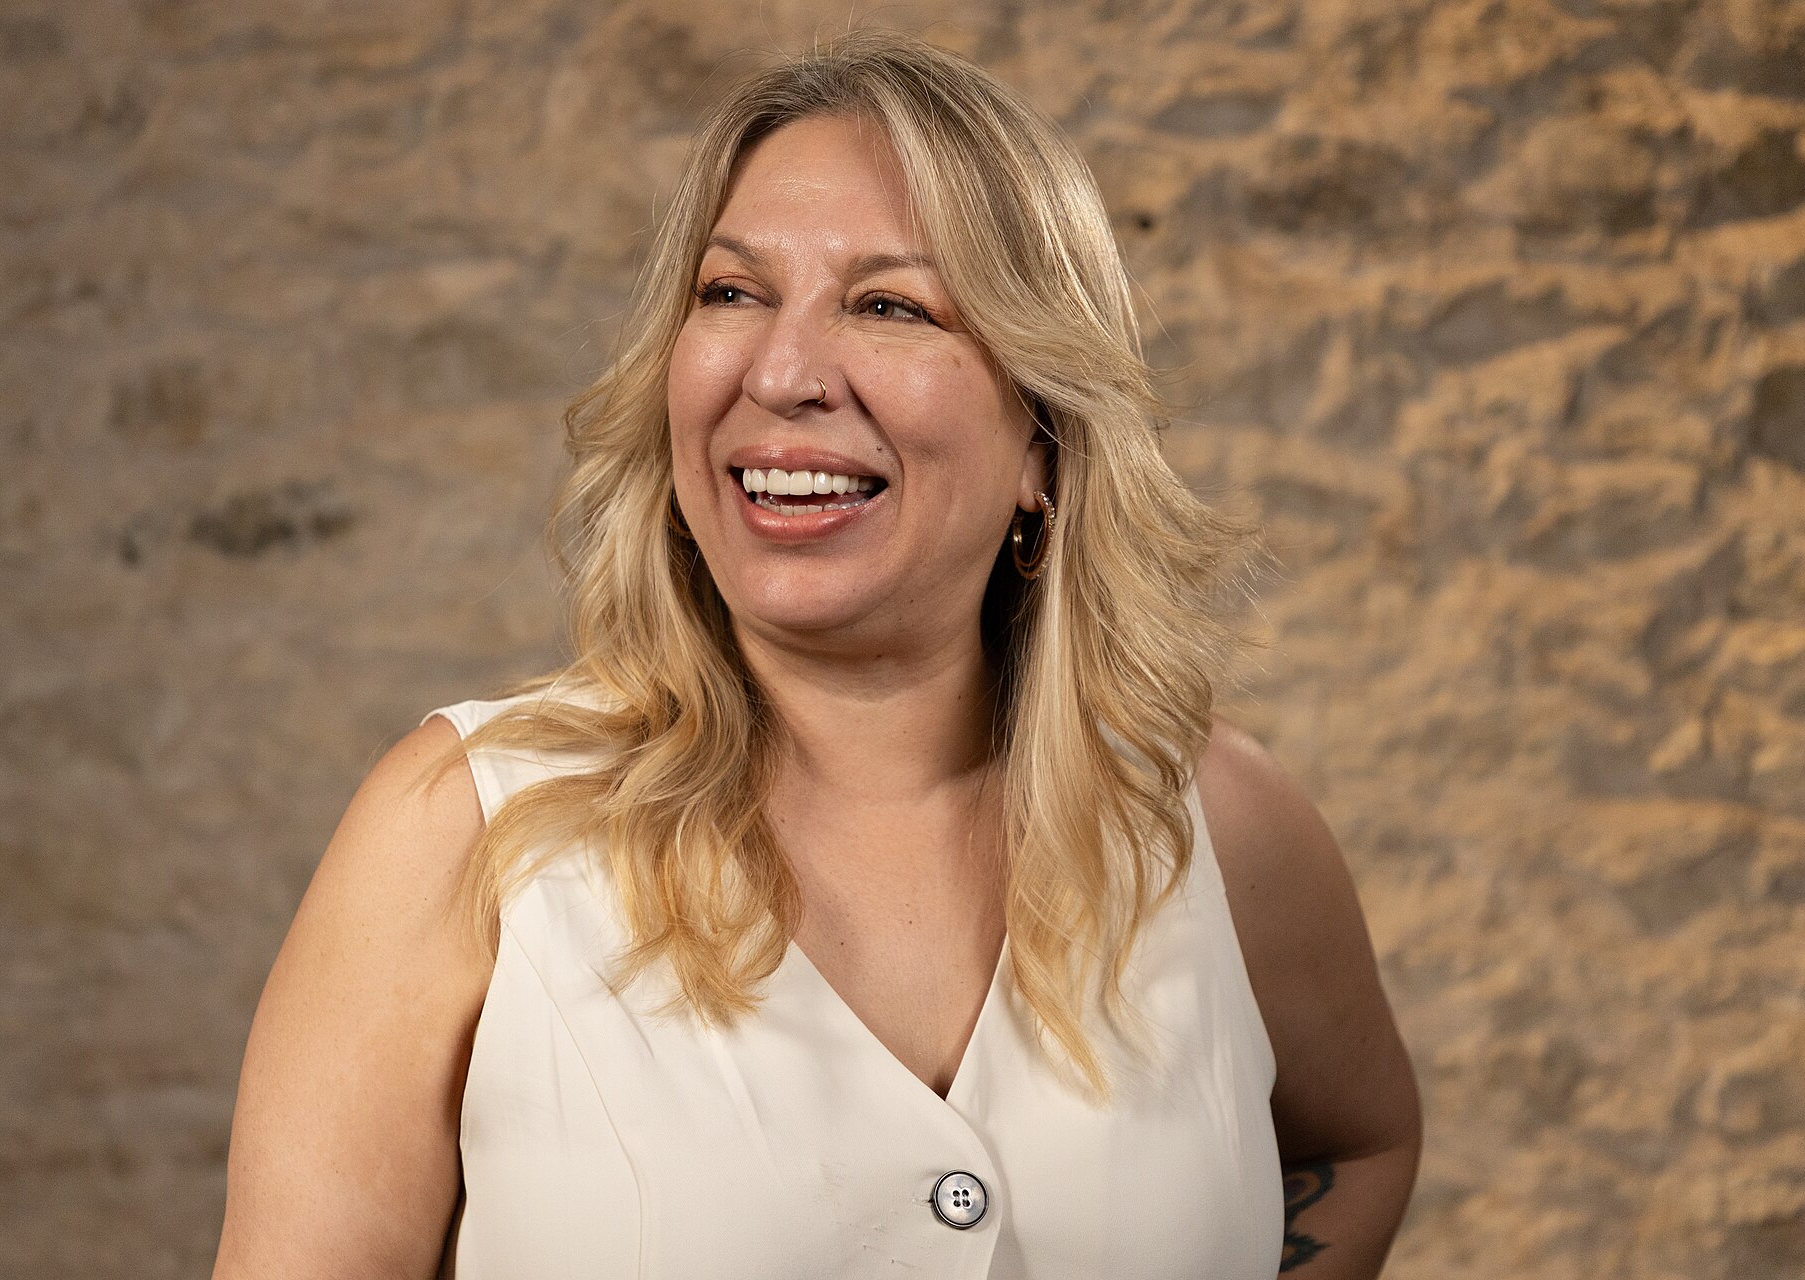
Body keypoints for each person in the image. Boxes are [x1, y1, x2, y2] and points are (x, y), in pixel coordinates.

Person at [212, 28, 1420, 1280]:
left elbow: (1361, 1143)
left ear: (1045, 443)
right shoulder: (463, 828)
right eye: (731, 293)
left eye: (889, 304)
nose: (781, 372)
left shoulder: (1219, 828)